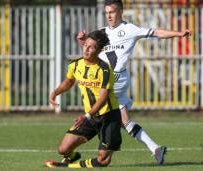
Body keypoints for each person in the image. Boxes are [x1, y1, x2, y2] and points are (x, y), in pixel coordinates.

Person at [77, 0, 191, 165]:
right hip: (113, 80)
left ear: (121, 12)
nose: (109, 15)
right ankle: (155, 149)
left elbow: (156, 32)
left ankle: (104, 149)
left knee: (102, 112)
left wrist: (179, 34)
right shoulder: (101, 33)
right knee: (124, 120)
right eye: (107, 12)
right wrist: (81, 40)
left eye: (112, 12)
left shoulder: (130, 29)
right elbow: (90, 49)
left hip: (116, 80)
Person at [45, 30, 122, 168]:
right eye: (85, 44)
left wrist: (87, 116)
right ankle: (73, 157)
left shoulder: (105, 70)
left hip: (109, 116)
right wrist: (55, 93)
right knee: (63, 149)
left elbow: (103, 98)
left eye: (91, 47)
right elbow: (69, 82)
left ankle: (67, 166)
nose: (86, 49)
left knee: (103, 160)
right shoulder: (75, 65)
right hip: (90, 117)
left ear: (98, 50)